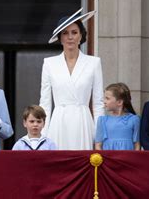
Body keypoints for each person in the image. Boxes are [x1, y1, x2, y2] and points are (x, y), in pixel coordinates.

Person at [39, 8, 104, 150]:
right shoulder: (49, 63)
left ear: (81, 36)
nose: (70, 37)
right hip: (59, 122)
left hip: (83, 121)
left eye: (74, 32)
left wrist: (99, 135)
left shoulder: (94, 63)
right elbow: (45, 103)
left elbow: (98, 103)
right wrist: (43, 134)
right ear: (60, 37)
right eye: (65, 33)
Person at [94, 83, 140, 150]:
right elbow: (98, 145)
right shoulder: (102, 120)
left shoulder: (134, 119)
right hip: (108, 159)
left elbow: (137, 145)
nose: (104, 101)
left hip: (127, 159)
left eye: (107, 98)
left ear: (119, 102)